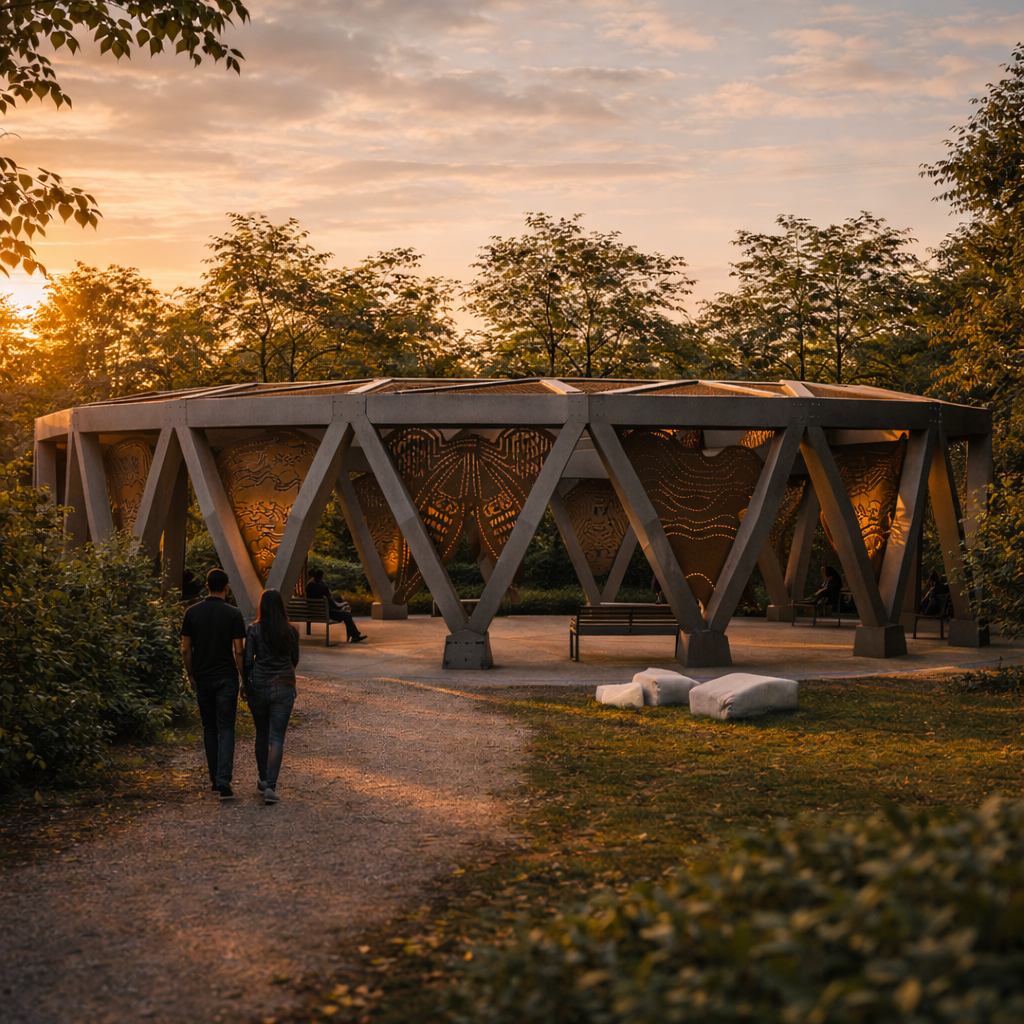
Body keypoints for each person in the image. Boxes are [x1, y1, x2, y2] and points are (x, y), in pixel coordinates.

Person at [181, 568, 246, 799]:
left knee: (209, 728)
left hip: (202, 677)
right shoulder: (234, 614)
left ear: (206, 586)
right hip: (226, 678)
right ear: (227, 587)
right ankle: (224, 779)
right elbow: (239, 651)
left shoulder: (192, 613)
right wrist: (244, 679)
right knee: (227, 728)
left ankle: (214, 780)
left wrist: (191, 675)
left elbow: (186, 649)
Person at [243, 589, 300, 805]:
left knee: (261, 733)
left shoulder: (254, 629)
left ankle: (264, 778)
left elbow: (248, 660)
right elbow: (295, 658)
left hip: (259, 686)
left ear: (262, 606)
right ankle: (271, 786)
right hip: (284, 688)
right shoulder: (291, 630)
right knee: (277, 737)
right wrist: (285, 674)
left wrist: (246, 682)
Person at [305, 568, 367, 643]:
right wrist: (341, 607)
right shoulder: (322, 586)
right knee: (347, 615)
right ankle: (355, 636)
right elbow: (331, 603)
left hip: (314, 612)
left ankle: (355, 635)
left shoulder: (309, 586)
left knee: (345, 614)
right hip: (327, 613)